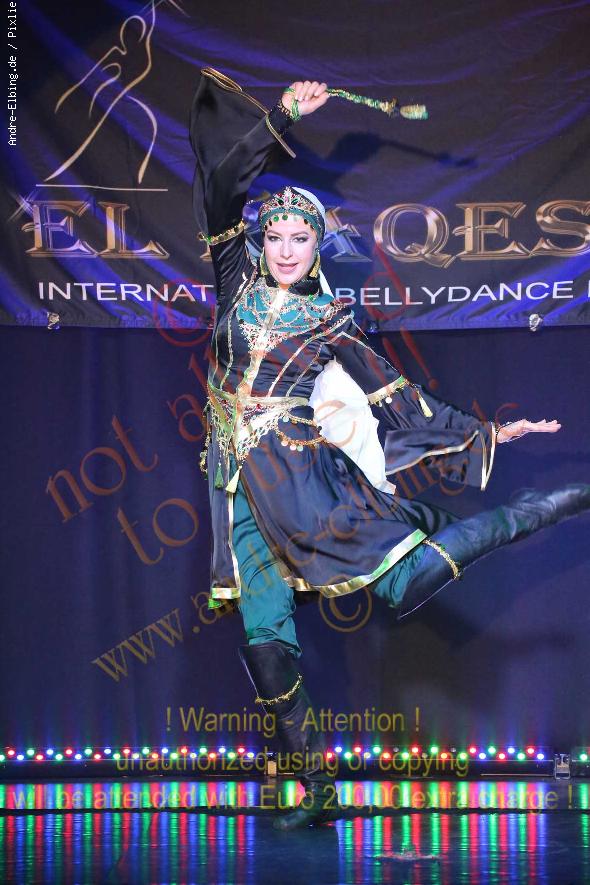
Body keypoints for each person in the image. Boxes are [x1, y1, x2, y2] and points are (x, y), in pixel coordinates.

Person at [189, 70, 590, 830]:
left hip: (299, 475)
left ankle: (537, 510)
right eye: (274, 236)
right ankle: (318, 786)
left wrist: (484, 433)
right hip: (235, 483)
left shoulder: (332, 317)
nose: (283, 248)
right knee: (265, 645)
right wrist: (280, 116)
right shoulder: (235, 282)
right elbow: (220, 184)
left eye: (300, 237)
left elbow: (396, 394)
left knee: (405, 586)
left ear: (317, 247)